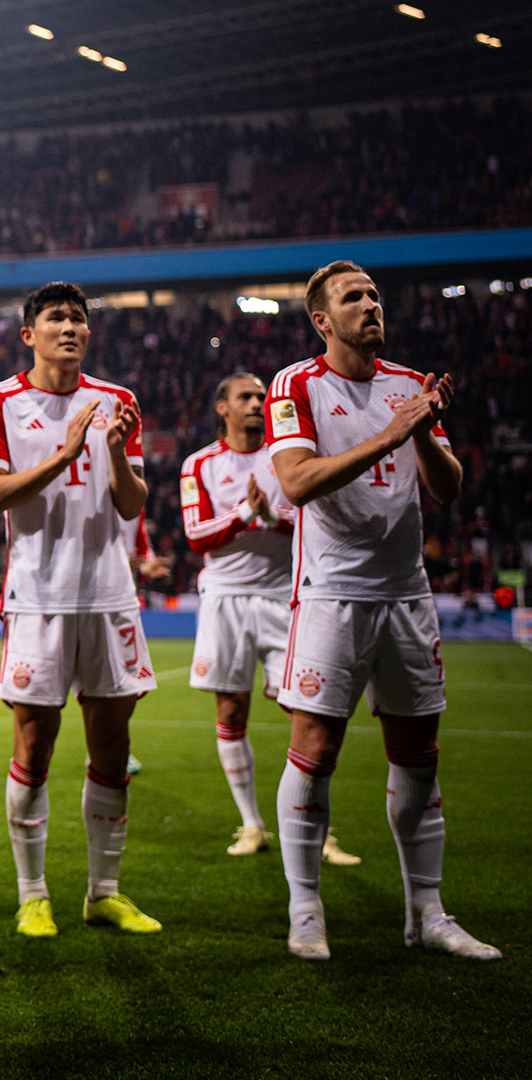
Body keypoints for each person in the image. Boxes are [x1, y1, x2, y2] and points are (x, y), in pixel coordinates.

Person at [265, 260, 498, 961]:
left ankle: (426, 912)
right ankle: (305, 908)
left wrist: (423, 429)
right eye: (352, 297)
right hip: (332, 594)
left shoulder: (407, 386)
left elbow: (449, 490)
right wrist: (391, 434)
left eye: (374, 295)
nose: (370, 305)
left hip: (406, 594)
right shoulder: (296, 385)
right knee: (316, 750)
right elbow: (297, 481)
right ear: (322, 320)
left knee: (419, 757)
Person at [0, 281, 160, 940]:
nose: (71, 327)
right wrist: (66, 454)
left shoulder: (119, 402)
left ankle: (103, 892)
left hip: (109, 595)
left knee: (113, 747)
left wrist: (109, 453)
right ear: (29, 334)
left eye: (79, 318)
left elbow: (134, 505)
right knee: (34, 744)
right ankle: (33, 894)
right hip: (38, 597)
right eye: (56, 318)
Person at [182, 373, 359, 865]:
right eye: (246, 396)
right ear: (223, 407)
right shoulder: (198, 464)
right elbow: (196, 536)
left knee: (306, 717)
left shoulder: (287, 456)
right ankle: (252, 824)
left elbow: (311, 519)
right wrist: (245, 513)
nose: (258, 403)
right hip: (226, 598)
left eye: (261, 396)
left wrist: (268, 517)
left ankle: (316, 831)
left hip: (286, 596)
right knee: (231, 713)